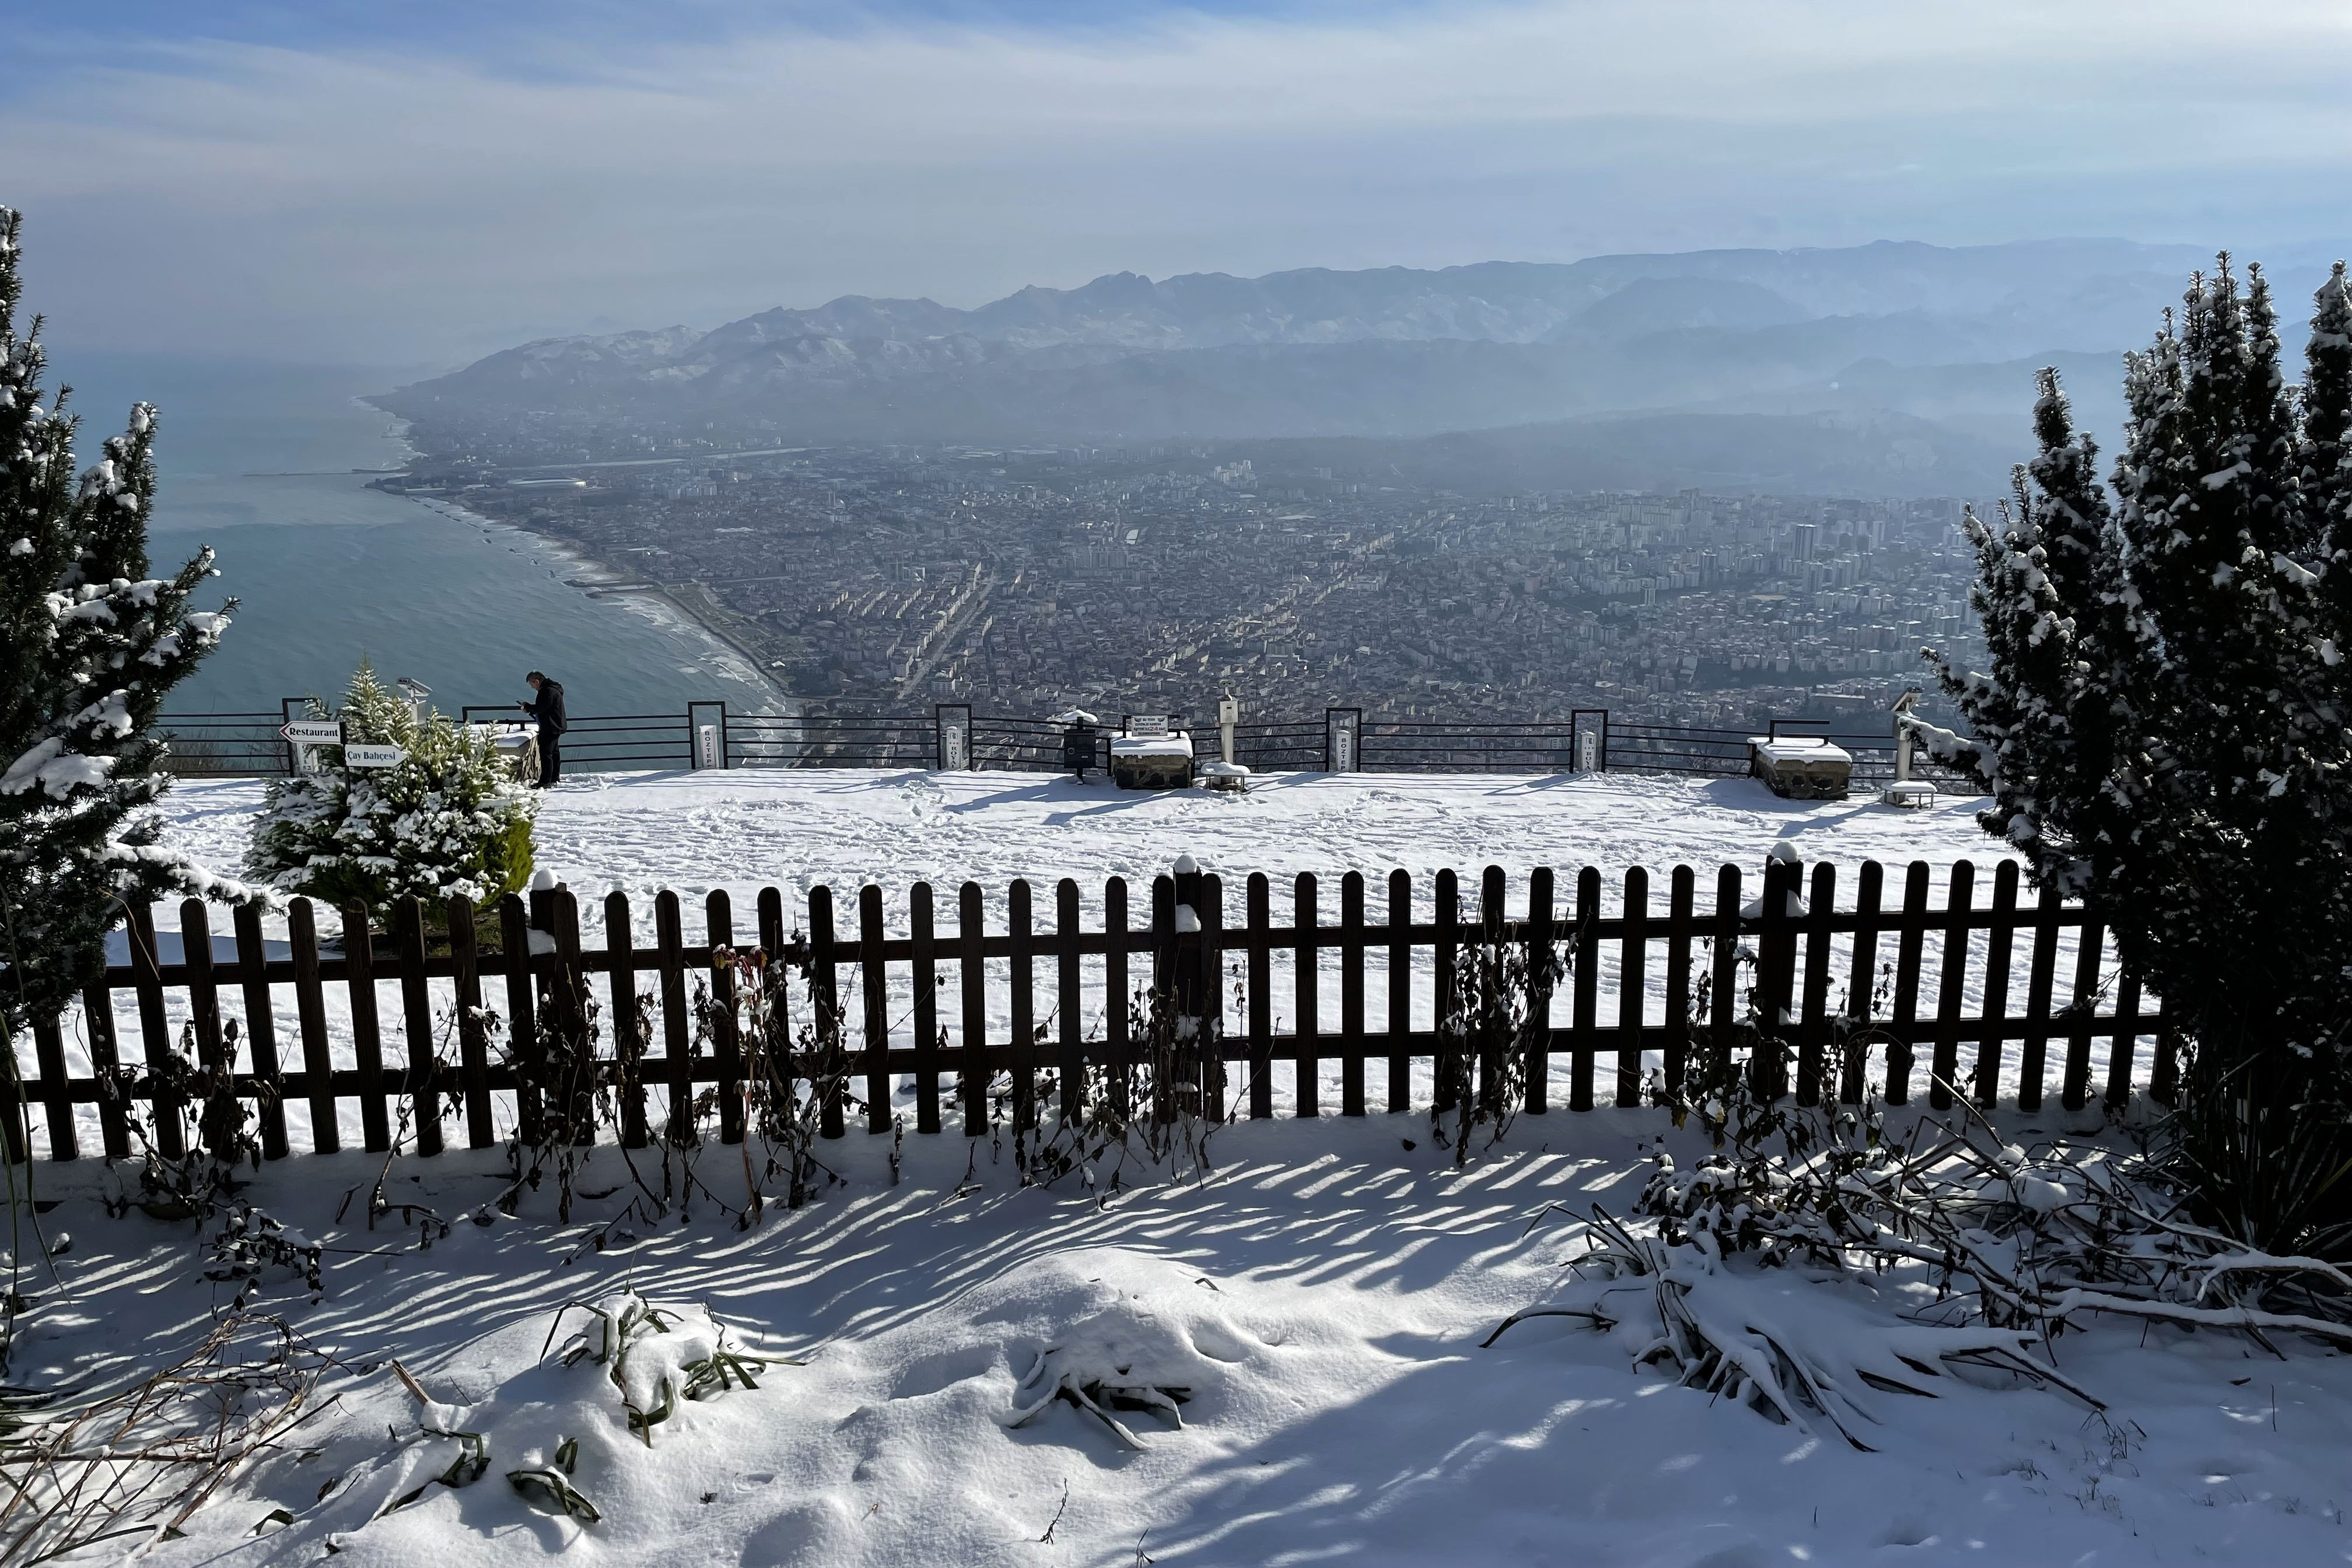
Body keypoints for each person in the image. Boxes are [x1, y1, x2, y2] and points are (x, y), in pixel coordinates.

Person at [522, 671, 567, 787]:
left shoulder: (547, 691)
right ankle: (554, 777)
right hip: (556, 725)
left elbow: (541, 708)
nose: (532, 687)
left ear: (537, 682)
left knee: (546, 753)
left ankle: (545, 781)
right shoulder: (553, 689)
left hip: (550, 726)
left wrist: (527, 707)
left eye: (532, 684)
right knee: (554, 752)